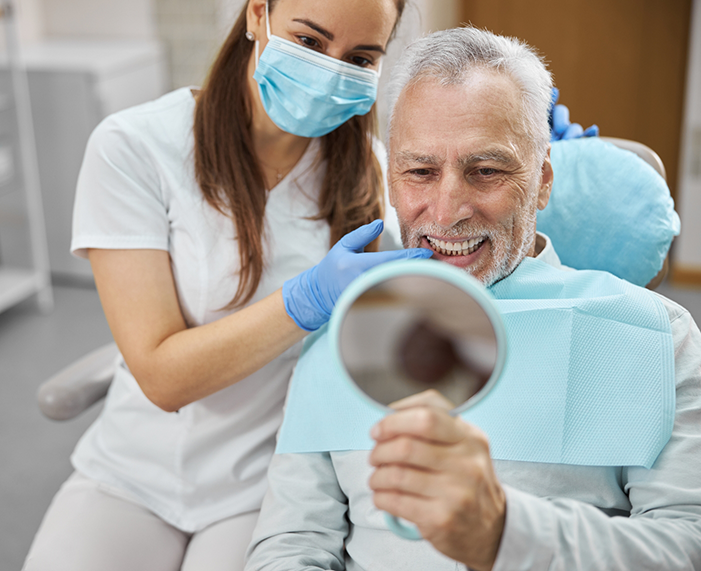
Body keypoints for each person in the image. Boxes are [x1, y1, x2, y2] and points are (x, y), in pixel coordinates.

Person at [244, 27, 701, 571]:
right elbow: (292, 540)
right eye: (420, 171)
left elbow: (685, 545)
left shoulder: (655, 337)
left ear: (543, 181)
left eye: (486, 171)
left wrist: (506, 534)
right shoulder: (341, 334)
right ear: (391, 182)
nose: (446, 211)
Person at [22, 1, 438, 570]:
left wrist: (536, 164)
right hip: (131, 472)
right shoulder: (136, 147)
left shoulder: (369, 172)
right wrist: (305, 301)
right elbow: (162, 377)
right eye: (311, 42)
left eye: (360, 57)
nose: (331, 70)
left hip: (265, 484)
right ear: (257, 15)